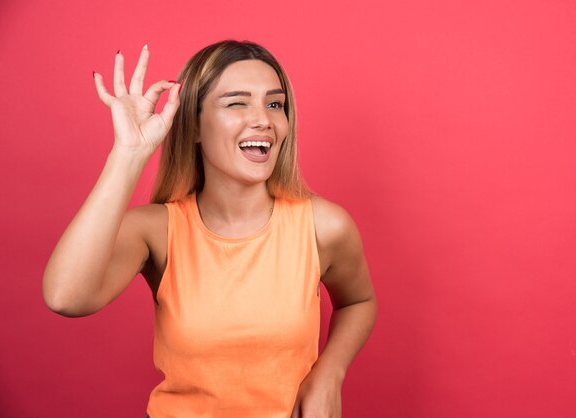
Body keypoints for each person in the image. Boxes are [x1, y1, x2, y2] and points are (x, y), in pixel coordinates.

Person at [42, 40, 377, 418]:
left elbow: (358, 302)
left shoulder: (323, 226)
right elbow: (65, 297)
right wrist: (128, 153)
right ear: (195, 125)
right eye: (237, 103)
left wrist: (329, 372)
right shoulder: (156, 230)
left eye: (274, 104)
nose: (263, 119)